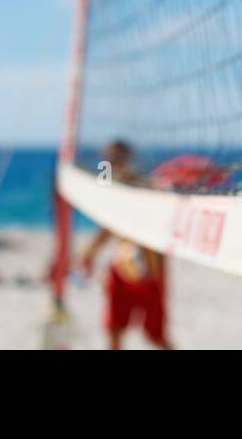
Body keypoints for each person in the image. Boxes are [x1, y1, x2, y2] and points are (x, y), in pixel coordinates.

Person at [78, 141, 172, 350]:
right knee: (114, 330)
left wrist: (154, 267)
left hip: (150, 268)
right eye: (109, 158)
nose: (111, 163)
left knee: (155, 335)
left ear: (128, 159)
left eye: (116, 158)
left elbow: (159, 228)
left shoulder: (145, 188)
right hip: (121, 268)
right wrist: (89, 253)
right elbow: (109, 226)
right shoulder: (113, 188)